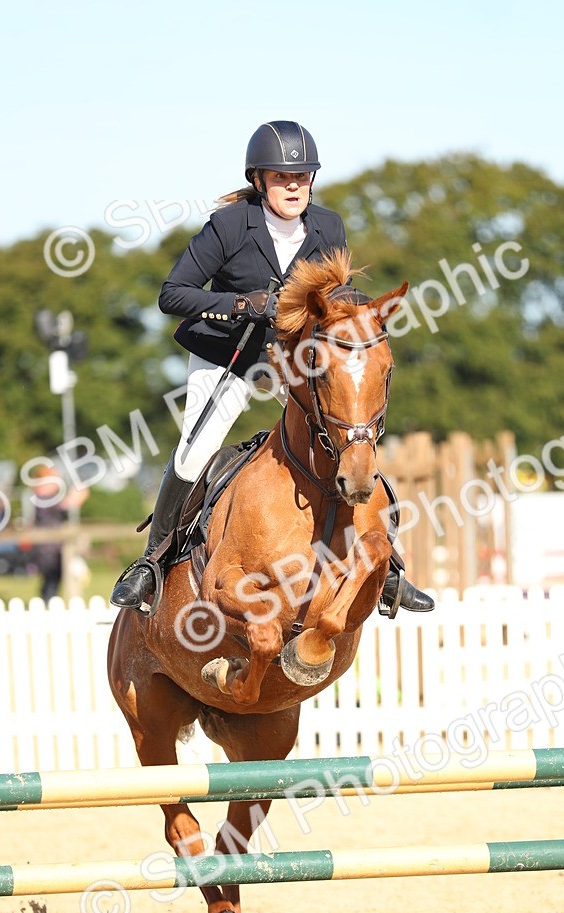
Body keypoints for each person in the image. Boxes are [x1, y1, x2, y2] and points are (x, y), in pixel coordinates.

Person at [110, 120, 434, 616]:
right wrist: (242, 304)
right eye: (282, 178)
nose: (294, 187)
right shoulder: (230, 226)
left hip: (294, 359)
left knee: (351, 437)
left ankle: (387, 568)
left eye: (302, 177)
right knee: (197, 450)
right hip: (230, 352)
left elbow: (339, 296)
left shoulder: (329, 226)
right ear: (259, 180)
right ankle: (152, 564)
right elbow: (172, 295)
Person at [29, 466, 88, 603]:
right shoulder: (43, 498)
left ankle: (48, 603)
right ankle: (47, 604)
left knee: (52, 581)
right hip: (49, 549)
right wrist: (75, 497)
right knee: (51, 582)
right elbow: (63, 506)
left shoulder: (45, 498)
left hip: (51, 548)